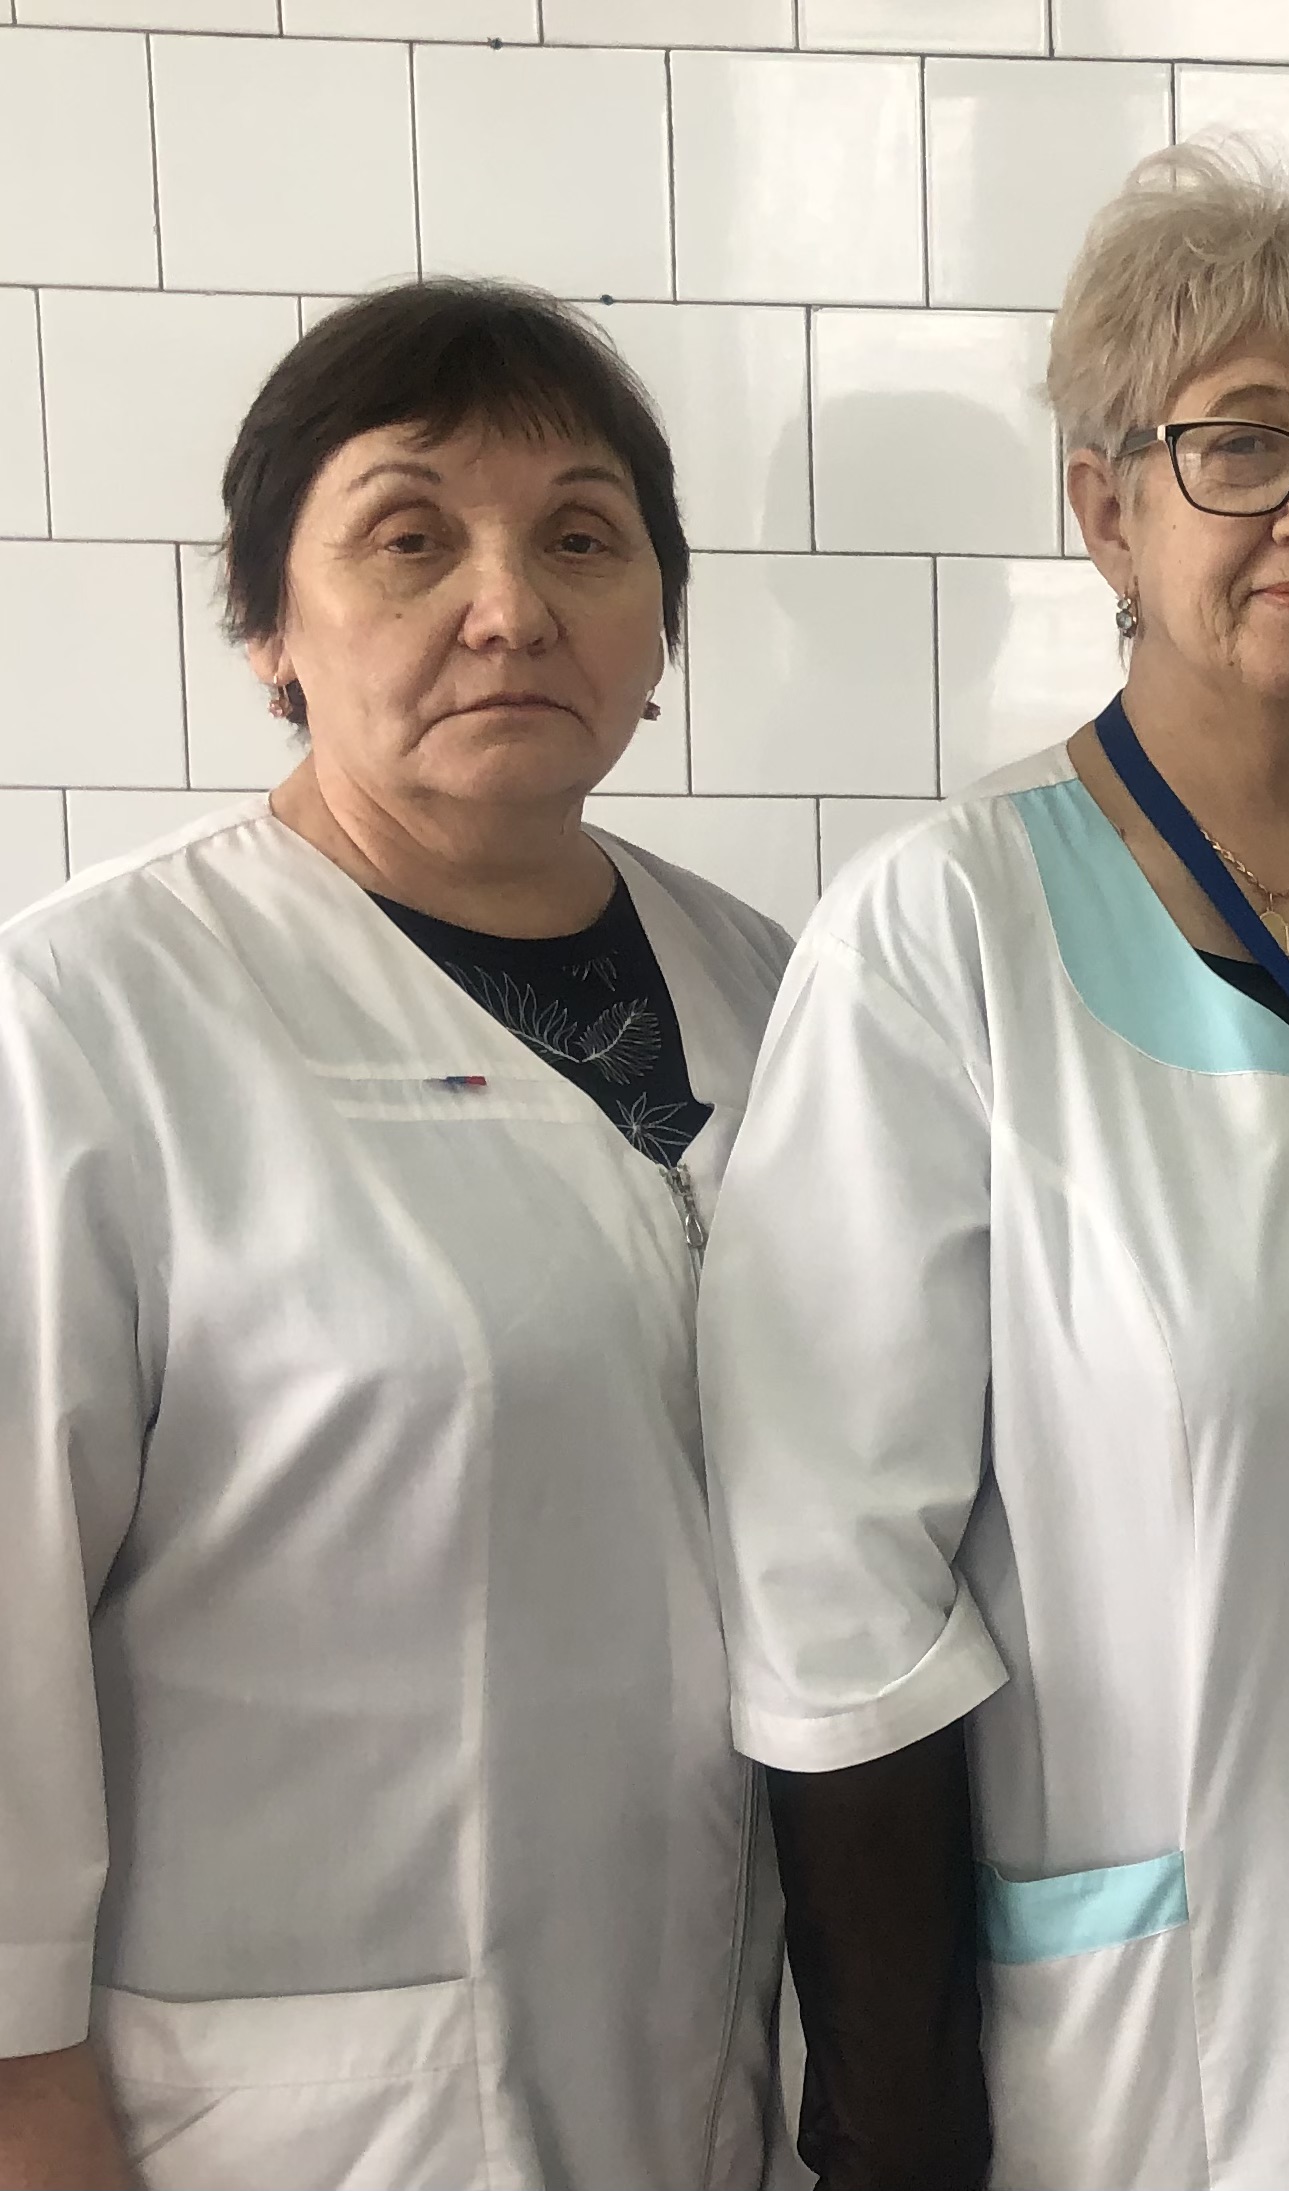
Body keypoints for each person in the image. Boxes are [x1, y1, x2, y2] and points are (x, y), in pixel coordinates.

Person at [698, 144, 1289, 2189]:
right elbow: (830, 1605)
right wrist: (890, 2120)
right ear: (1104, 507)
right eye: (1237, 443)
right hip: (1165, 2048)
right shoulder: (942, 940)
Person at [0, 280, 789, 2186]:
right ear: (268, 624)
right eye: (410, 536)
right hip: (307, 2117)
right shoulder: (85, 1019)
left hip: (714, 2073)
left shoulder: (772, 989)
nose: (508, 607)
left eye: (582, 538)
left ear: (661, 626)